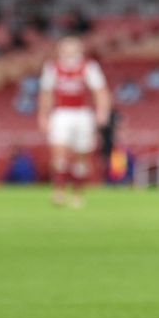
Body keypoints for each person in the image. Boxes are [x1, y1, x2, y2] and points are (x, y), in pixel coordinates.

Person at [37, 36, 111, 208]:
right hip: (61, 113)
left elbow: (100, 90)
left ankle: (78, 193)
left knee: (81, 155)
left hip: (82, 114)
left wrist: (102, 111)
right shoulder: (52, 67)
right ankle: (59, 191)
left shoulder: (89, 67)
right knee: (59, 151)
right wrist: (43, 115)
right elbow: (46, 93)